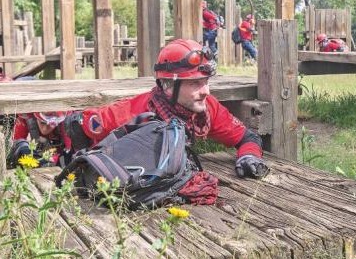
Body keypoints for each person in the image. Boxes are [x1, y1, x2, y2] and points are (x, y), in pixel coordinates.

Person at [65, 39, 269, 179]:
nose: (206, 91)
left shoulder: (207, 109)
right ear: (168, 86)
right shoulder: (133, 112)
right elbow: (77, 124)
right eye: (196, 83)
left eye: (206, 81)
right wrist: (85, 163)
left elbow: (247, 138)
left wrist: (248, 156)